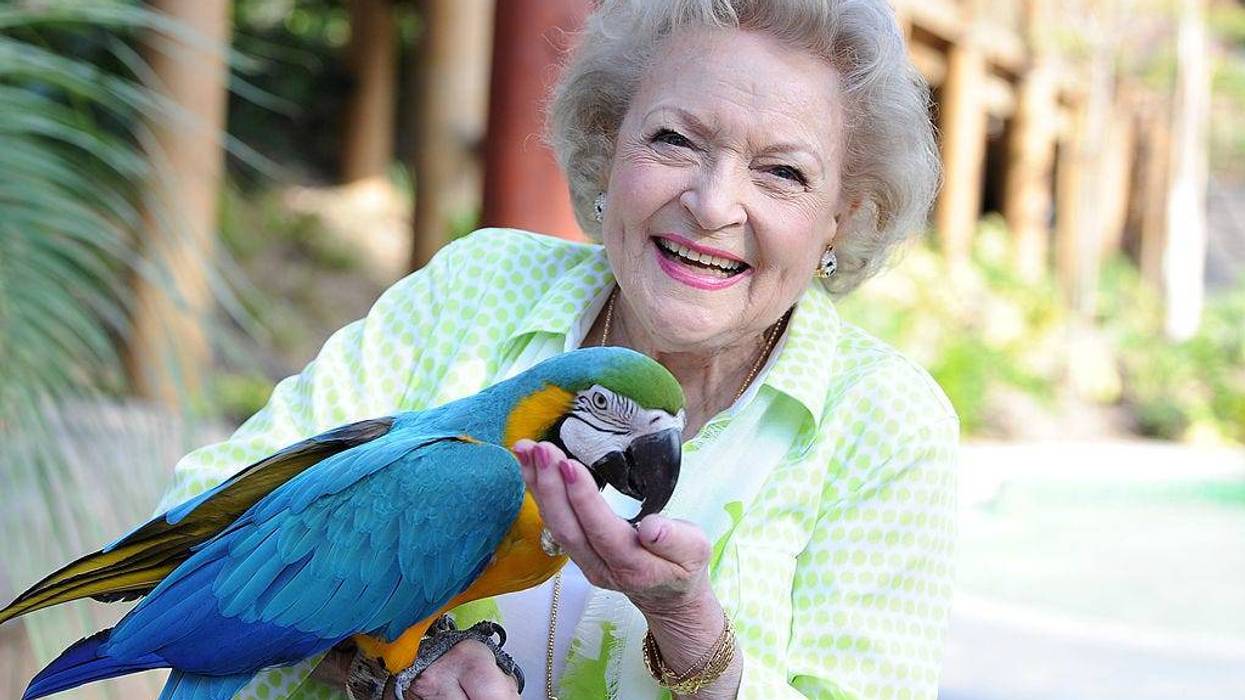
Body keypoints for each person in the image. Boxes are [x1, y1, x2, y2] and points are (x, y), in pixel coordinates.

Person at [157, 1, 957, 698]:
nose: (712, 204)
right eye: (674, 140)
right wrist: (402, 662)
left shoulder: (883, 422)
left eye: (781, 172)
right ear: (609, 145)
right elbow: (210, 513)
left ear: (843, 217)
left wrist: (691, 634)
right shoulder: (478, 289)